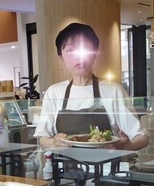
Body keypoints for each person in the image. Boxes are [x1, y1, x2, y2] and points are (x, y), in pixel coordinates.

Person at [34, 22, 148, 151]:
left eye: (84, 49)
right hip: (63, 163)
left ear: (95, 52)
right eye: (70, 50)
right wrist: (53, 142)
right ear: (61, 56)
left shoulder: (113, 90)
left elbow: (141, 137)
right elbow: (42, 138)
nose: (78, 56)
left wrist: (127, 146)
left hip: (105, 163)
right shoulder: (54, 92)